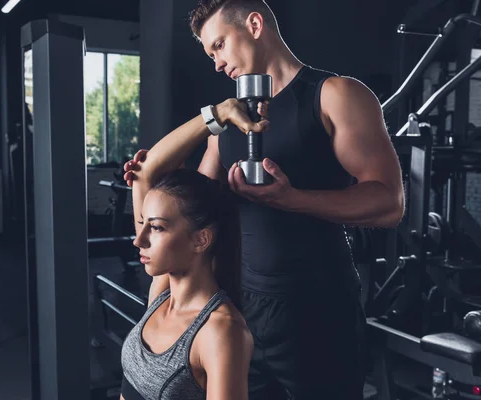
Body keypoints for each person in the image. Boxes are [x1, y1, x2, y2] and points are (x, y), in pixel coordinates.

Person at [125, 0, 405, 398]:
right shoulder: (231, 120)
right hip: (244, 304)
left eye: (219, 45)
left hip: (318, 309)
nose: (217, 63)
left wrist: (292, 199)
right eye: (210, 54)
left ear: (255, 24)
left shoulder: (334, 94)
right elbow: (195, 201)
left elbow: (389, 203)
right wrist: (149, 172)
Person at [119, 96, 272, 400]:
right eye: (143, 224)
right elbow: (144, 173)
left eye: (157, 227)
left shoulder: (220, 331)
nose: (139, 239)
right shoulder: (162, 294)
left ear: (201, 240)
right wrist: (218, 114)